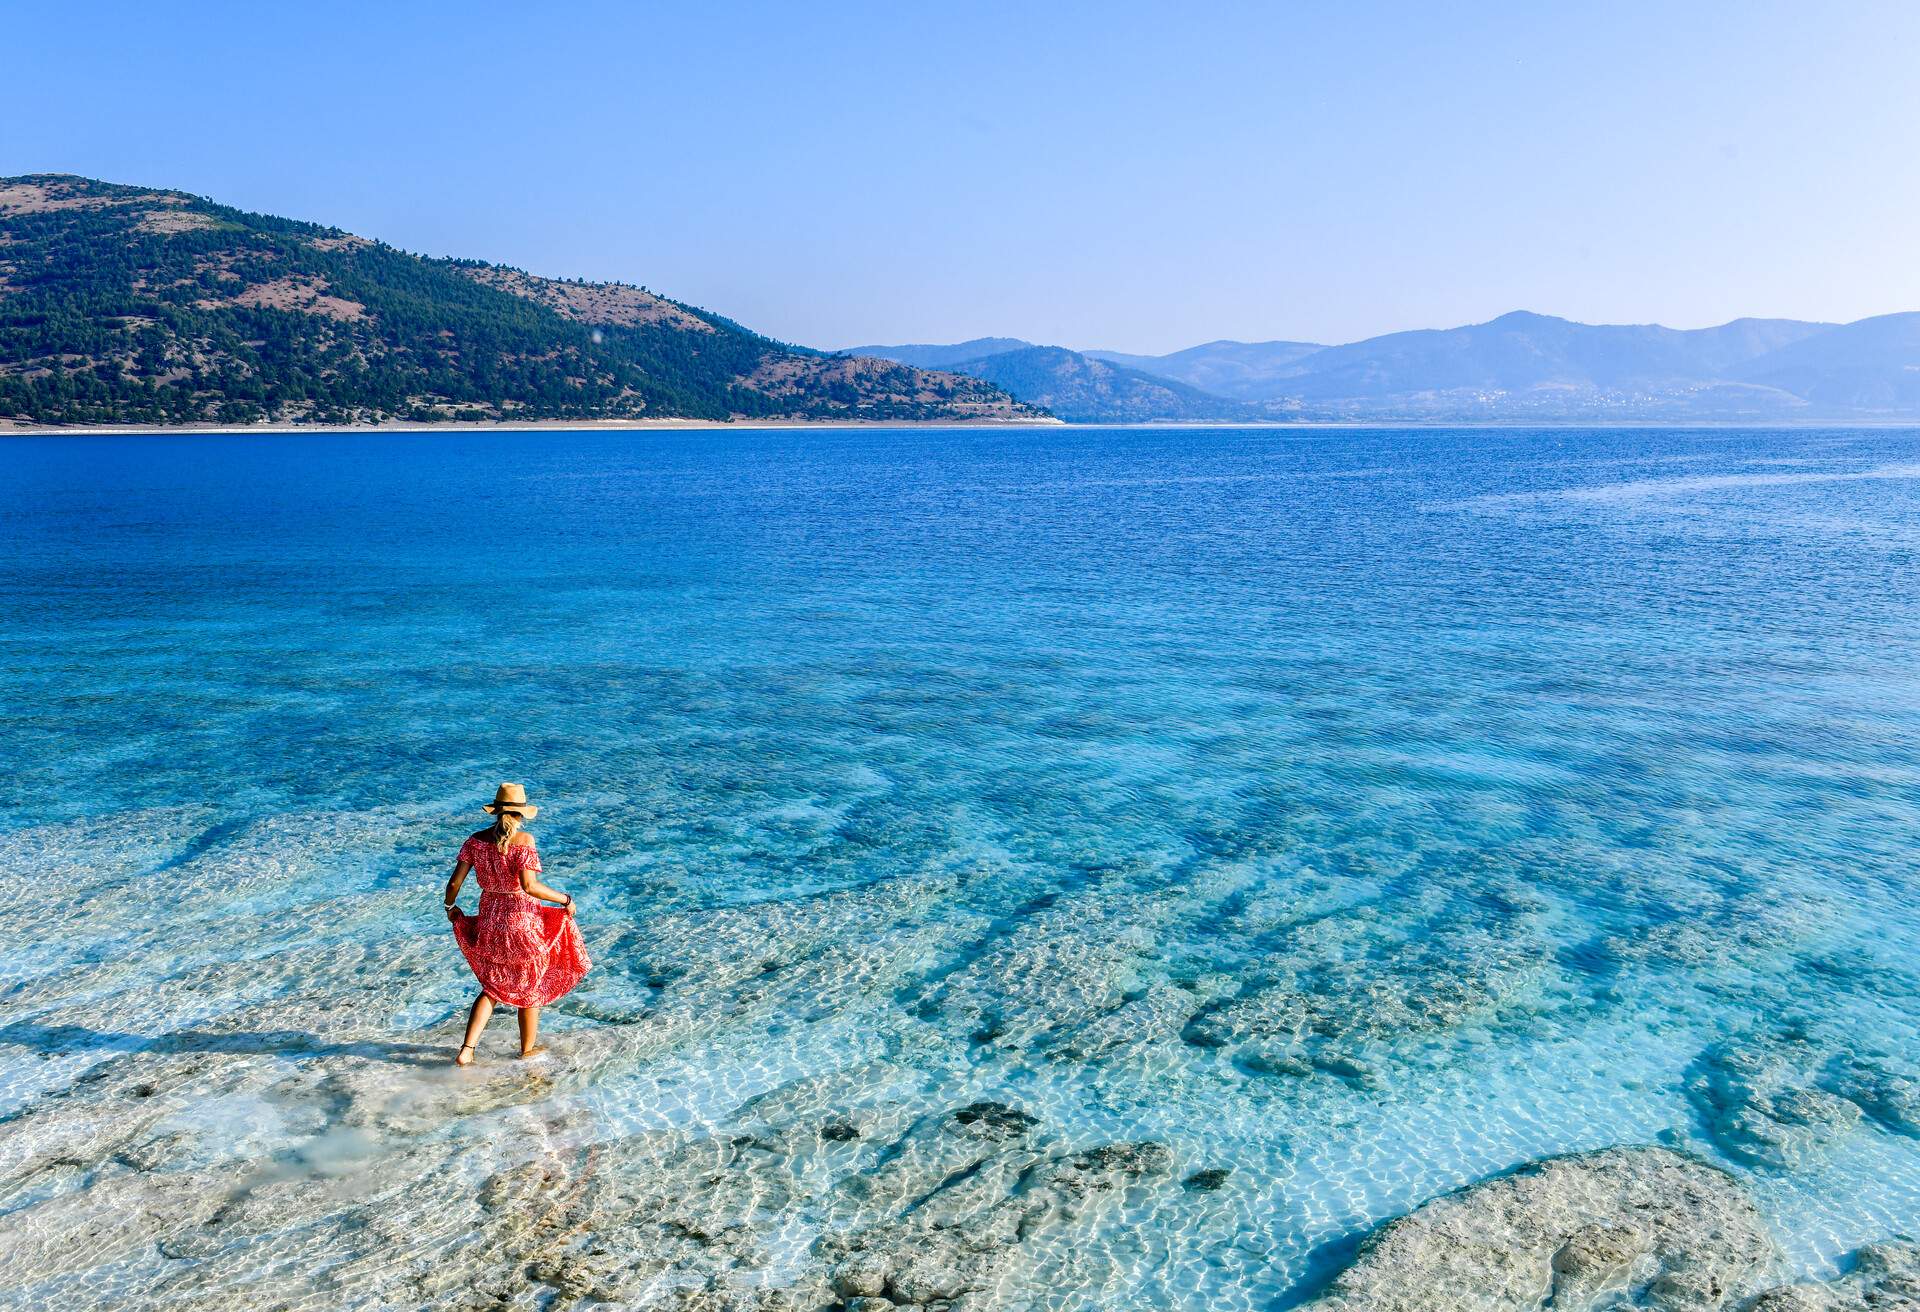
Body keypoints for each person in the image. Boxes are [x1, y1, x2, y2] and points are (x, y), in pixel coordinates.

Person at [444, 783, 590, 1065]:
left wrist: (450, 907)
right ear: (521, 813)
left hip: (490, 918)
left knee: (492, 986)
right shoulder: (524, 841)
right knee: (531, 984)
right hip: (522, 920)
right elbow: (529, 886)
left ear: (496, 811)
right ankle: (526, 1050)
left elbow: (454, 883)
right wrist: (565, 899)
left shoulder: (474, 841)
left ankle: (467, 1050)